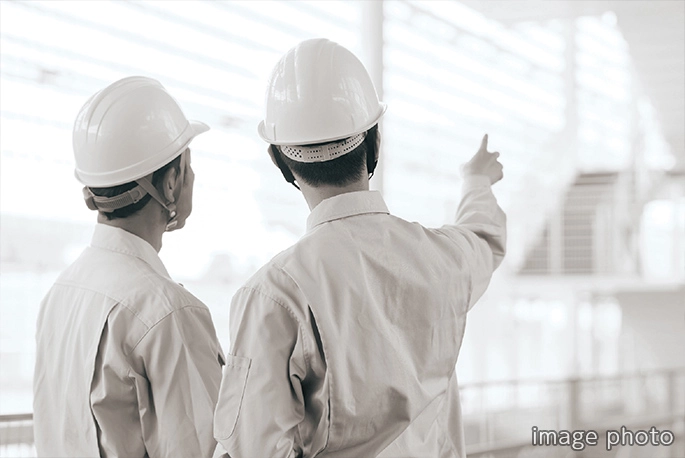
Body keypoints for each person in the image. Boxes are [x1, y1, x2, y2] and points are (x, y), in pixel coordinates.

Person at [213, 38, 506, 457]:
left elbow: (255, 448)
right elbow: (483, 237)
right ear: (375, 143)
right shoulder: (443, 257)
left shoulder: (273, 295)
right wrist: (476, 180)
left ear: (280, 162)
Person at [33, 76, 224, 457]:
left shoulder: (59, 294)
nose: (192, 178)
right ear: (171, 183)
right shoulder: (167, 313)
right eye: (187, 166)